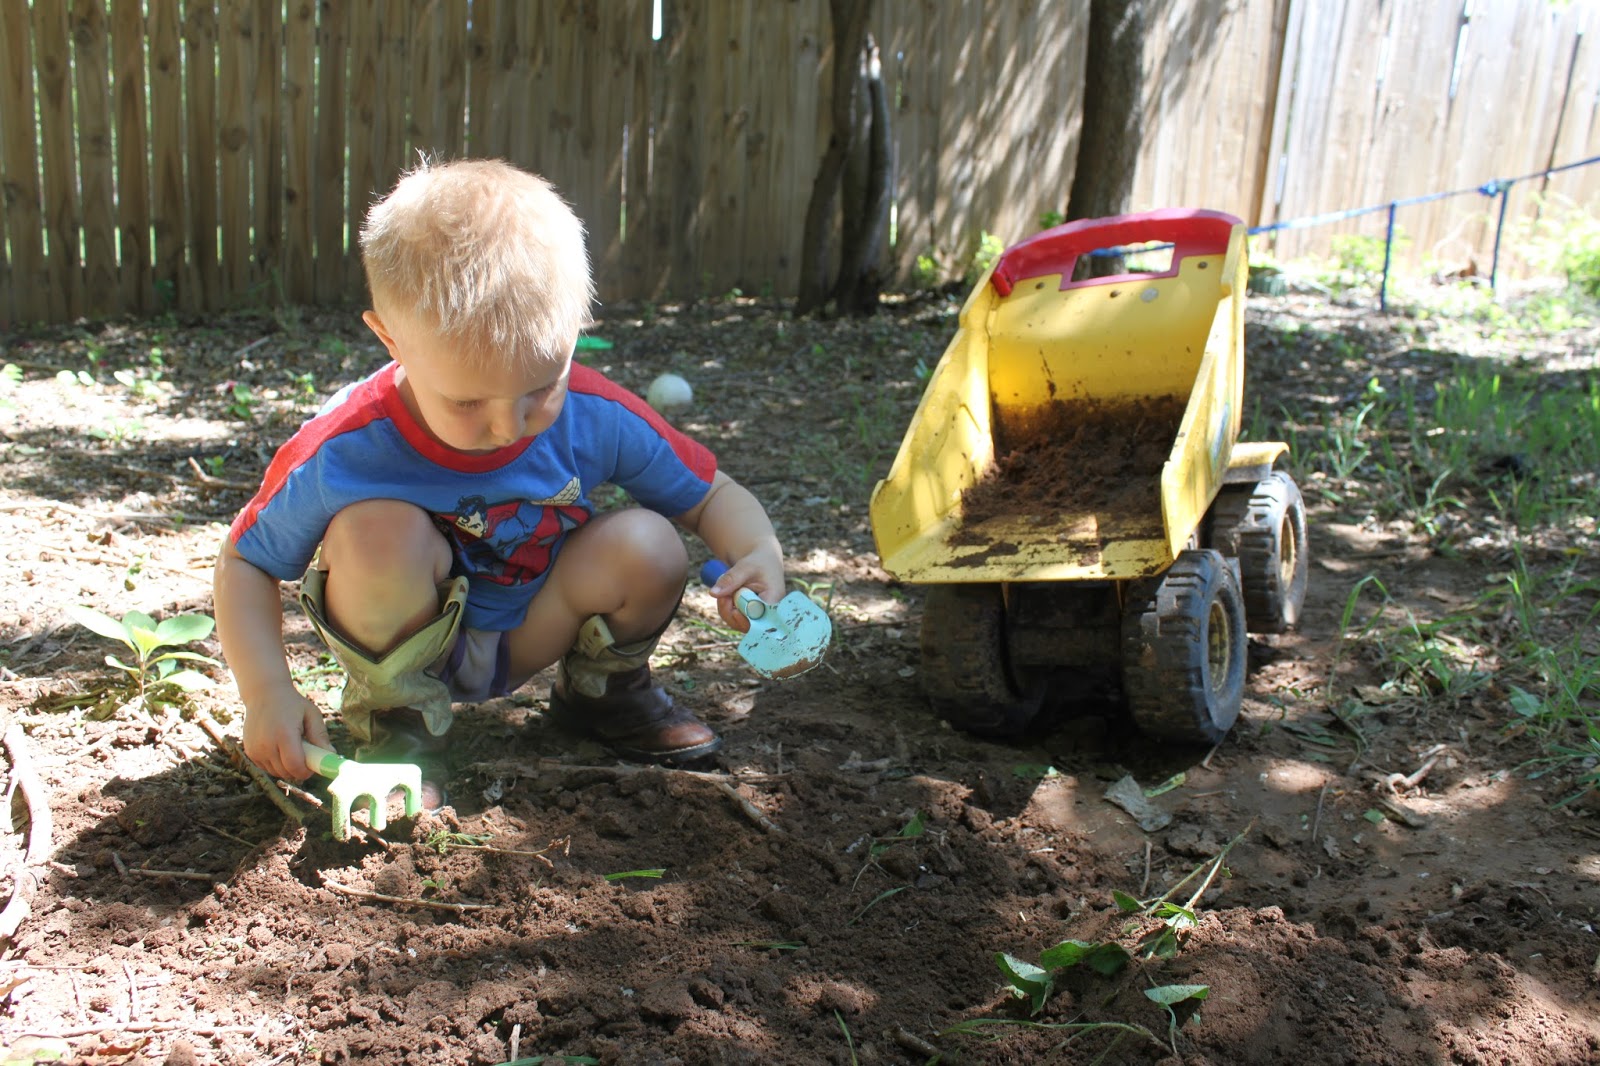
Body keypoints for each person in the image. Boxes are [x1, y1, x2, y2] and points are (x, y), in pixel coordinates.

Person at [213, 158, 786, 805]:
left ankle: (602, 692)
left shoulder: (597, 416)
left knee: (650, 543)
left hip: (533, 626)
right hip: (404, 638)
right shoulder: (347, 445)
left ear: (576, 332)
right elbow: (246, 561)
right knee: (374, 531)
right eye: (465, 402)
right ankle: (400, 722)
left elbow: (712, 495)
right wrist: (267, 694)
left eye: (541, 388)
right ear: (390, 338)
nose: (508, 426)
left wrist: (759, 552)